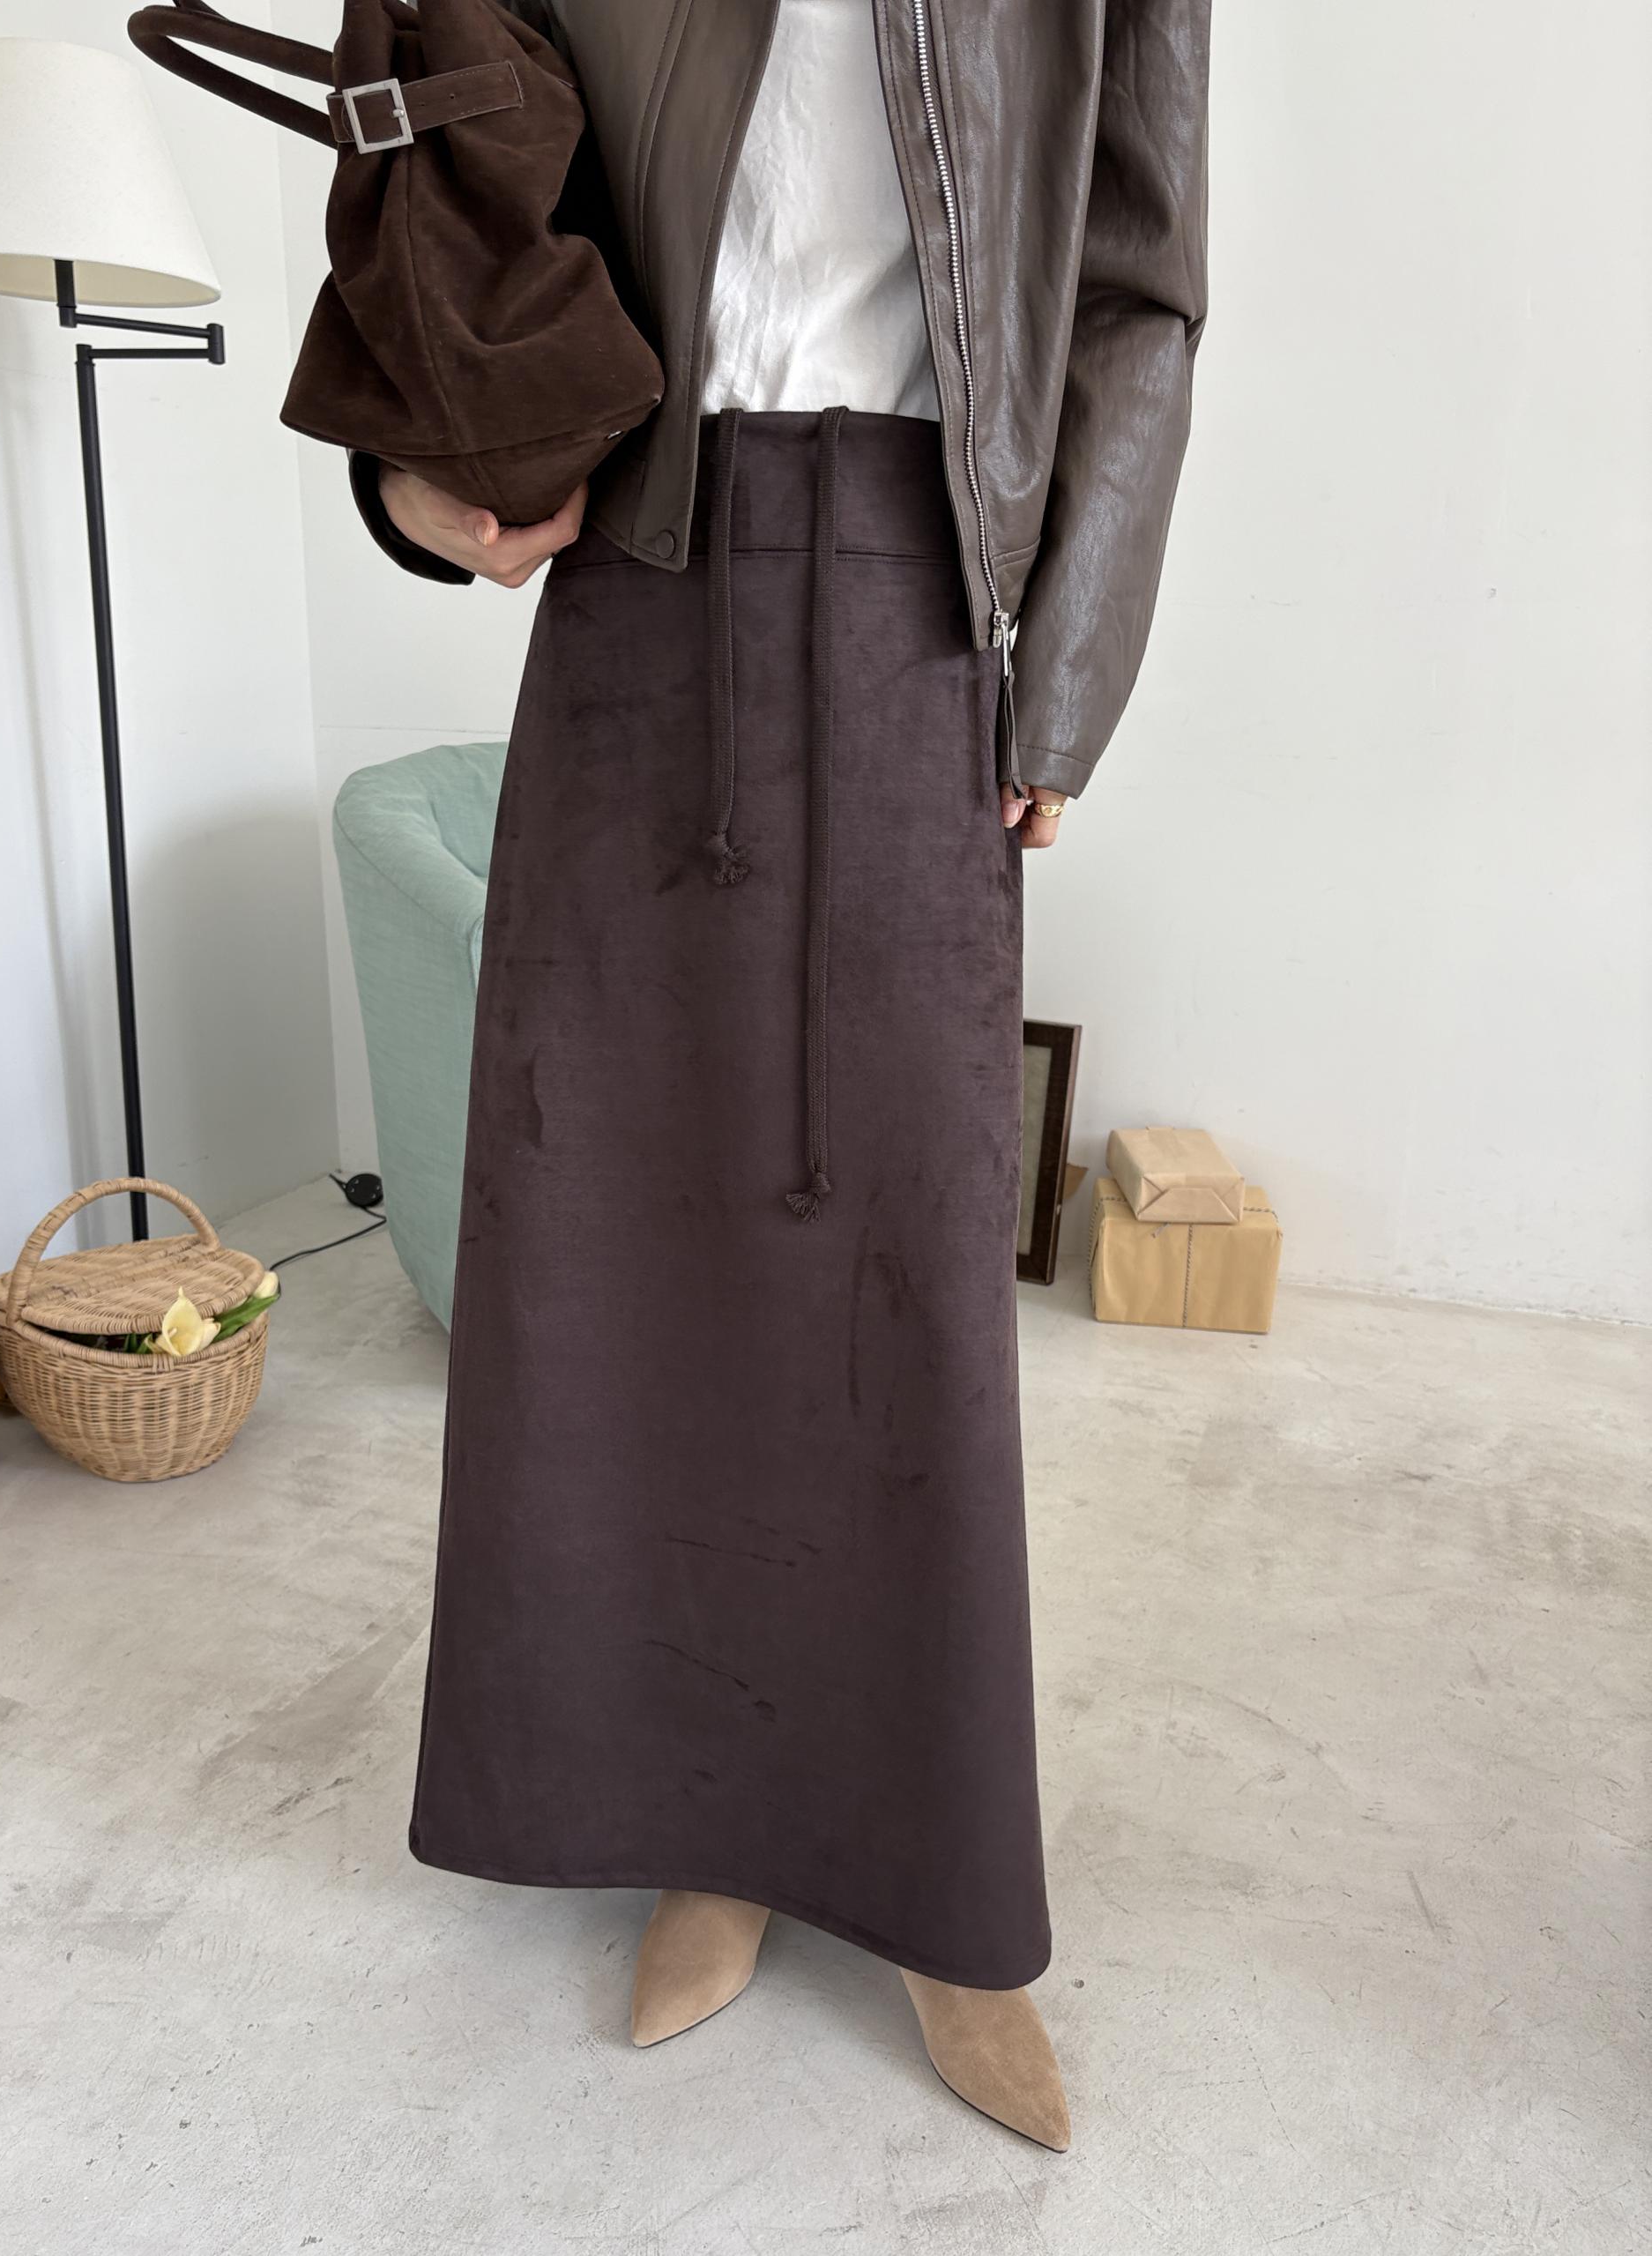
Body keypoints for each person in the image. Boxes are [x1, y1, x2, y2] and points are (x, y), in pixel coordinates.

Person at [353, 0, 1209, 2152]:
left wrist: (1068, 666)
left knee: (909, 1294)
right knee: (630, 1269)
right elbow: (462, 192)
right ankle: (705, 1820)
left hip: (928, 611)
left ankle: (942, 1887)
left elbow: (1139, 284)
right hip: (636, 605)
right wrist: (411, 469)